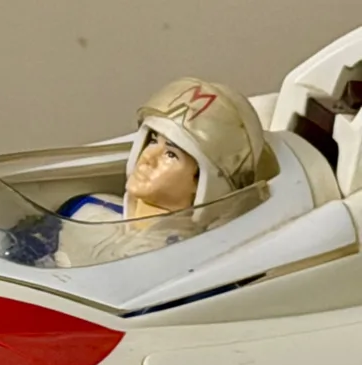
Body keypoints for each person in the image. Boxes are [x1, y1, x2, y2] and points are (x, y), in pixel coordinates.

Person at [50, 76, 270, 266]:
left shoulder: (189, 262)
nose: (148, 157)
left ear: (203, 181)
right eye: (153, 140)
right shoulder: (84, 209)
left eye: (171, 154)